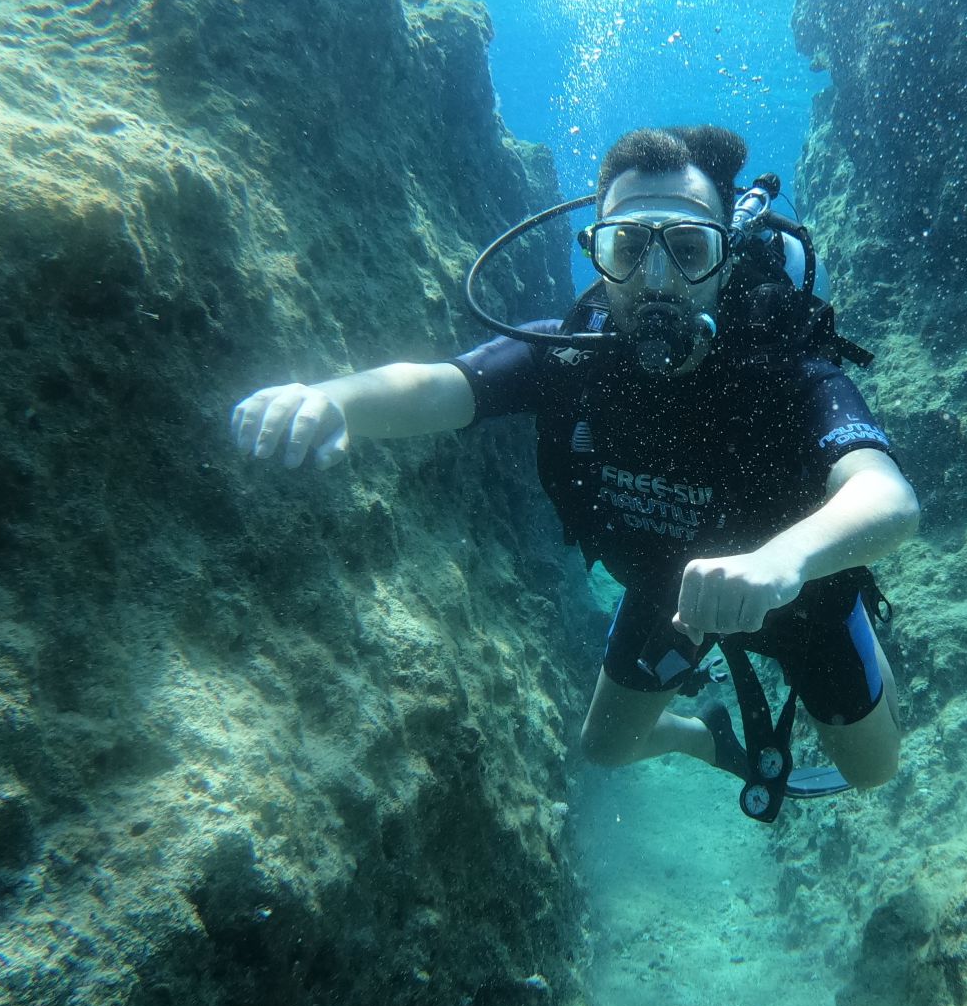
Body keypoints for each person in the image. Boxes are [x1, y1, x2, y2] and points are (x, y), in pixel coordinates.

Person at [229, 125, 918, 813]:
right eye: (628, 247)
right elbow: (442, 385)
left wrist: (781, 563)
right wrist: (334, 400)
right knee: (606, 747)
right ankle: (704, 734)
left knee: (874, 770)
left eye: (687, 249)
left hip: (801, 596)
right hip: (669, 590)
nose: (657, 280)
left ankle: (862, 643)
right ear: (596, 252)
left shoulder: (783, 370)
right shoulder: (567, 357)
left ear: (725, 257)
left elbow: (887, 497)